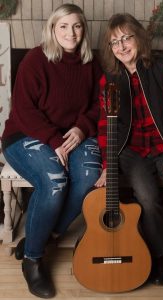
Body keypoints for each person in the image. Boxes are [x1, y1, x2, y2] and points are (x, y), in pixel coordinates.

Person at [1, 3, 102, 298]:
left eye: (77, 26)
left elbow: (99, 105)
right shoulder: (35, 60)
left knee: (88, 175)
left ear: (84, 30)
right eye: (63, 26)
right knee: (55, 180)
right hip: (25, 134)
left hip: (74, 134)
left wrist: (83, 127)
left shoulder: (91, 64)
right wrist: (53, 140)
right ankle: (33, 259)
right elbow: (23, 110)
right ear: (52, 29)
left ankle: (46, 235)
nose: (71, 33)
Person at [95, 13, 163, 300]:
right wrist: (107, 166)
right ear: (110, 48)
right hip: (131, 152)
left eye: (127, 37)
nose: (122, 45)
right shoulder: (109, 80)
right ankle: (159, 254)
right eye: (115, 42)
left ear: (139, 37)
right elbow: (105, 126)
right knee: (147, 197)